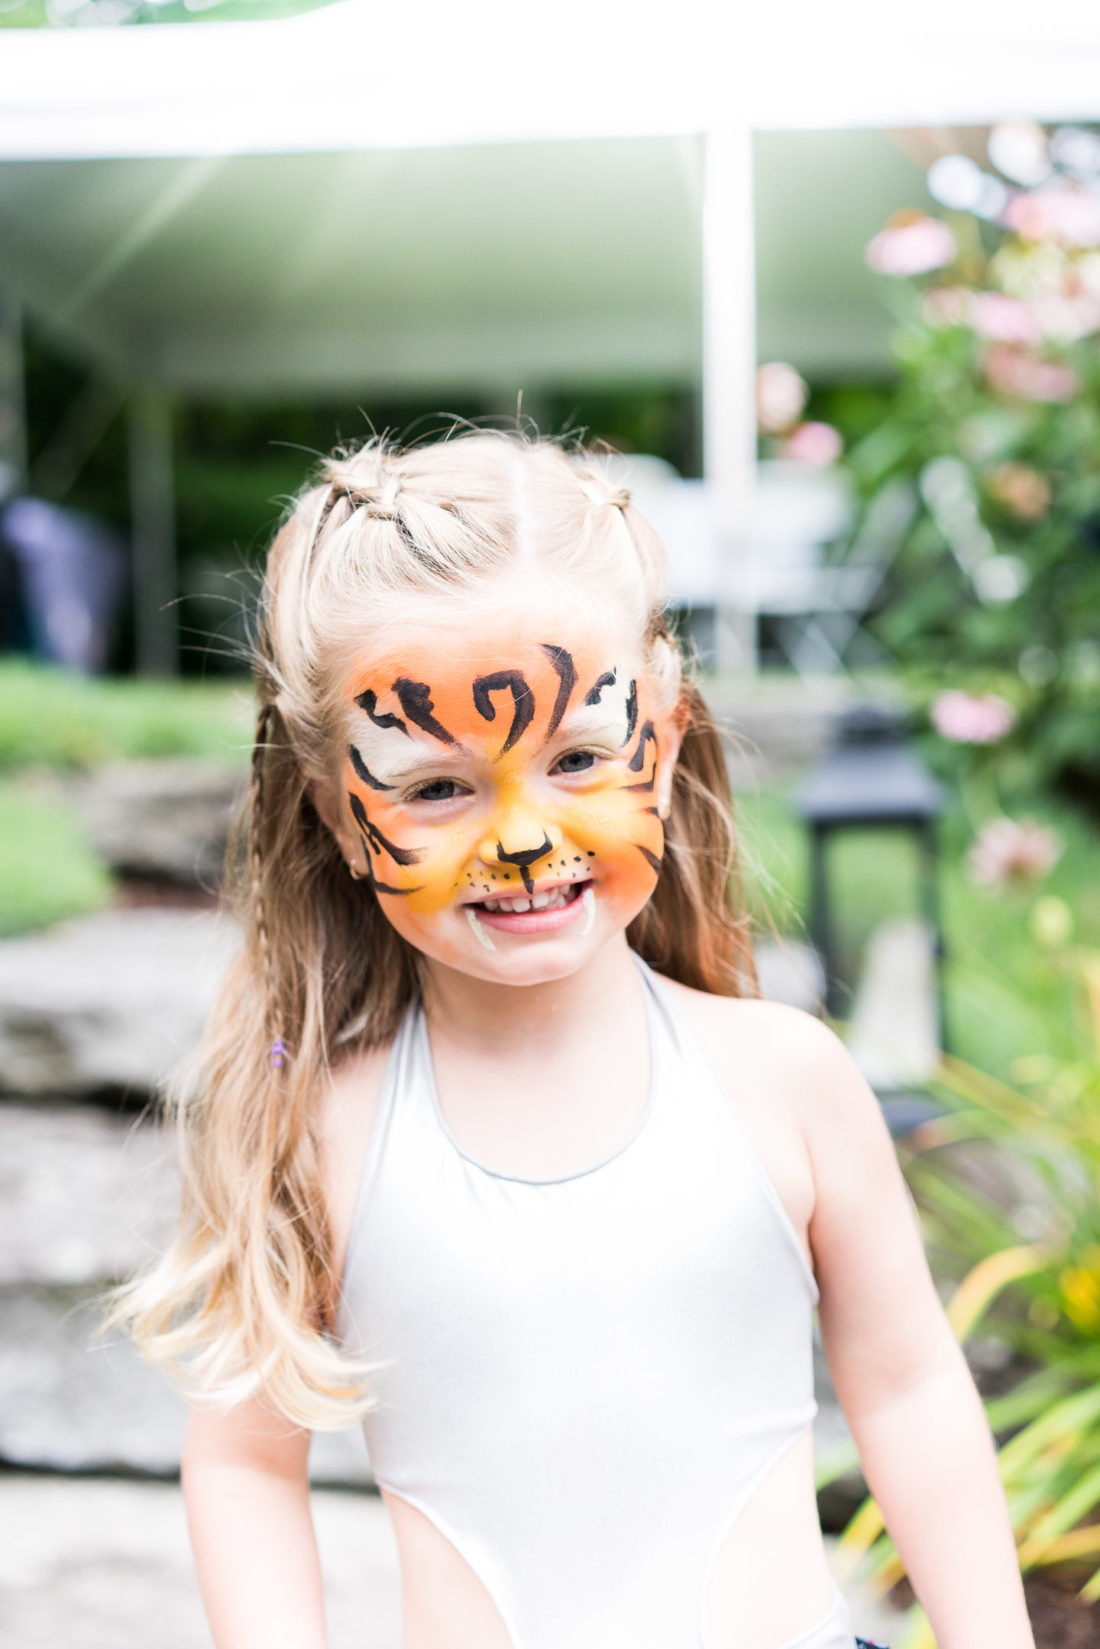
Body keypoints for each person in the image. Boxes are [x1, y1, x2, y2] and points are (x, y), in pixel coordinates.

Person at [113, 429, 1035, 1649]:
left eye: (578, 758)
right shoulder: (319, 1127)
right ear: (339, 809)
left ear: (661, 730)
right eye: (436, 786)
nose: (525, 843)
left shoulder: (783, 1076)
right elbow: (241, 1460)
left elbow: (909, 1384)